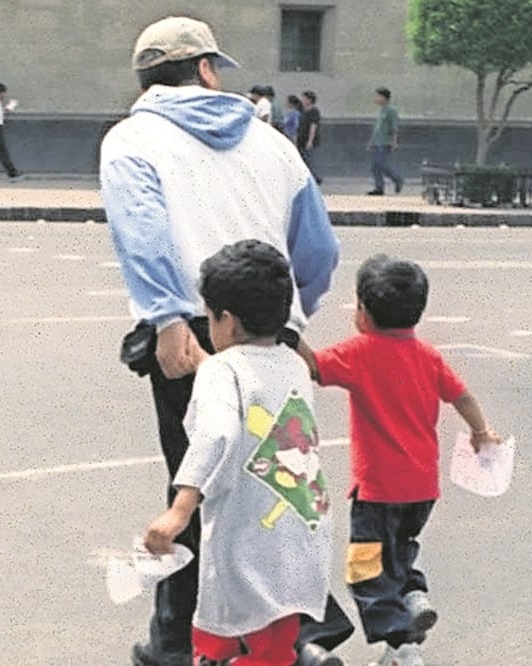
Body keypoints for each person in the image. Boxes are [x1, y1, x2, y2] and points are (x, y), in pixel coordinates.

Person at [100, 15, 351, 666]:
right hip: (274, 336)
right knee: (283, 481)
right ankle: (301, 629)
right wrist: (289, 318)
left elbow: (143, 233)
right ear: (207, 70)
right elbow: (318, 250)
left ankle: (183, 644)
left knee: (199, 481)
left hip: (193, 333)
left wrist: (166, 320)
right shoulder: (273, 146)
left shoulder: (132, 140)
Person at [298, 256, 500, 666]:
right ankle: (412, 593)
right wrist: (480, 432)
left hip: (377, 491)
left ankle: (402, 645)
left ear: (363, 313)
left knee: (366, 569)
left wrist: (290, 331)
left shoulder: (359, 352)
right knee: (401, 548)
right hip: (421, 488)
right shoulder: (427, 356)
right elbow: (462, 395)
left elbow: (312, 367)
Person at [144, 239, 333, 666]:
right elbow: (252, 392)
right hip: (300, 532)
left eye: (208, 316)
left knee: (219, 641)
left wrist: (180, 509)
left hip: (248, 542)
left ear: (225, 322)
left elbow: (218, 434)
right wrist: (208, 367)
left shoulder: (220, 374)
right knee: (275, 647)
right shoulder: (293, 364)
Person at [366, 87, 403, 195]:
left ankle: (397, 179)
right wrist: (370, 141)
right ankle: (379, 188)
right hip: (377, 142)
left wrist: (394, 141)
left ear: (384, 97)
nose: (376, 99)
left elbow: (394, 127)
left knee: (381, 163)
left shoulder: (391, 111)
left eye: (378, 96)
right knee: (374, 166)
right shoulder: (381, 110)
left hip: (385, 142)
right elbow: (377, 128)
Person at [297, 90, 322, 184]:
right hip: (301, 139)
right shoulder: (301, 110)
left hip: (308, 139)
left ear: (309, 100)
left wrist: (310, 140)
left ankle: (315, 178)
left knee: (309, 159)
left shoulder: (314, 111)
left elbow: (313, 126)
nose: (302, 100)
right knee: (303, 159)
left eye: (304, 98)